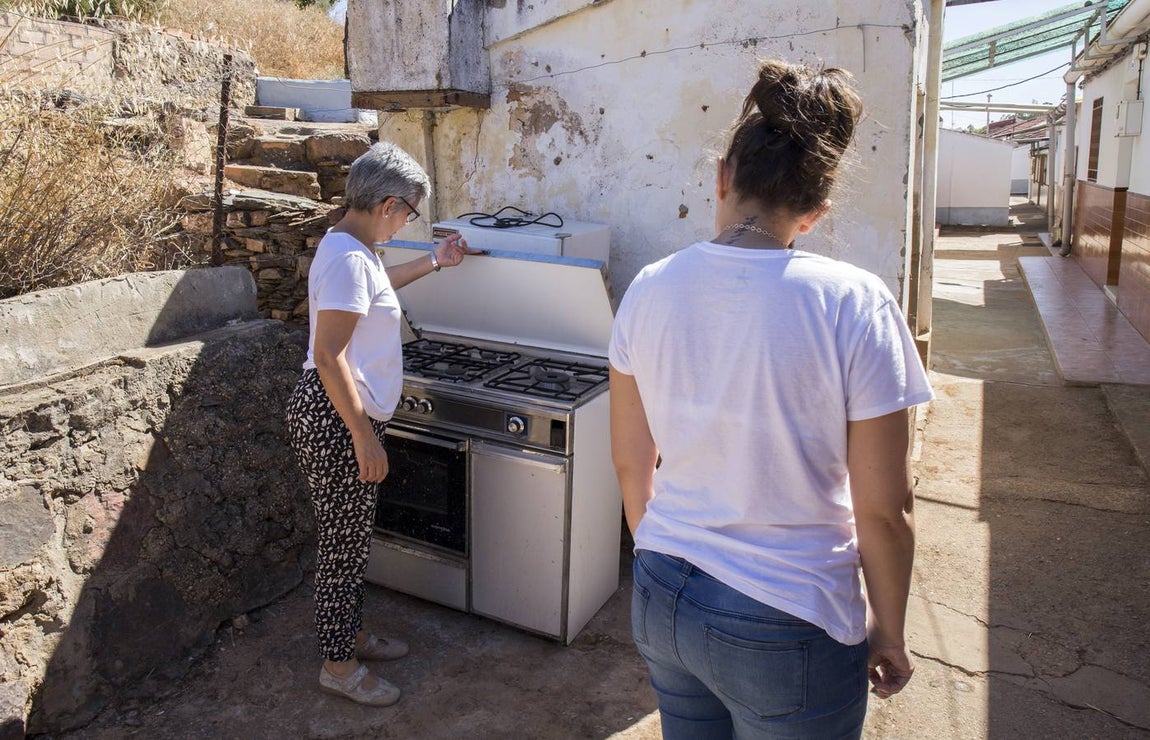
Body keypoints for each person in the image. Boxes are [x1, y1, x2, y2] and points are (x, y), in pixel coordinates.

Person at [608, 59, 934, 738]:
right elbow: (884, 509)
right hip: (789, 614)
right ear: (815, 213)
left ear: (722, 176)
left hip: (662, 593)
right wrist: (890, 630)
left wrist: (663, 554)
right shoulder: (854, 303)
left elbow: (632, 464)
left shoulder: (648, 288)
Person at [285, 141, 480, 707]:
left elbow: (376, 290)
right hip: (337, 416)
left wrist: (434, 261)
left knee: (351, 540)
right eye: (409, 213)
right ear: (389, 204)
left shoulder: (351, 246)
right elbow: (329, 357)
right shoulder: (350, 258)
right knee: (341, 547)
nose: (406, 223)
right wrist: (362, 435)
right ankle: (338, 665)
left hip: (339, 412)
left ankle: (349, 635)